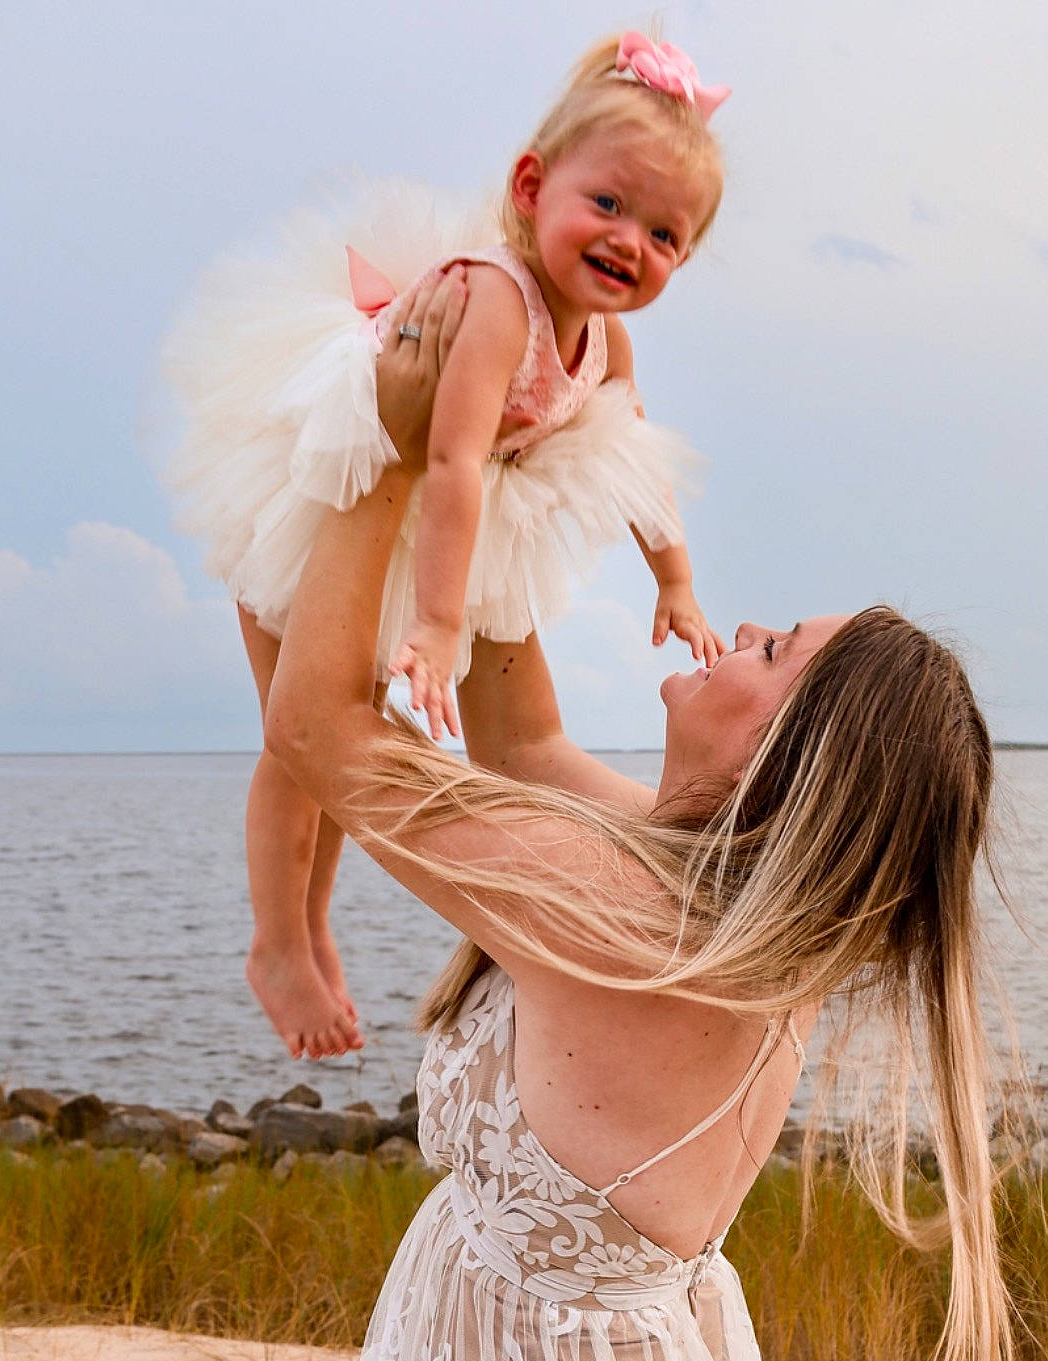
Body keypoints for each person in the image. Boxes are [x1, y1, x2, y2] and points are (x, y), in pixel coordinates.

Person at [257, 271, 1013, 1361]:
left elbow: (326, 737)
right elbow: (511, 734)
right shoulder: (710, 905)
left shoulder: (624, 913)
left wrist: (389, 449)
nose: (733, 632)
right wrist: (511, 443)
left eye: (772, 654)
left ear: (796, 767)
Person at [163, 32, 730, 1061]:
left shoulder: (609, 342)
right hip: (318, 479)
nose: (629, 241)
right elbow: (454, 458)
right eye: (607, 206)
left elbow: (635, 460)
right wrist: (435, 622)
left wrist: (676, 581)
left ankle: (315, 919)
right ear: (532, 185)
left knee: (347, 736)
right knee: (298, 739)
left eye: (664, 233)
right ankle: (278, 940)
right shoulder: (498, 300)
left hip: (427, 522)